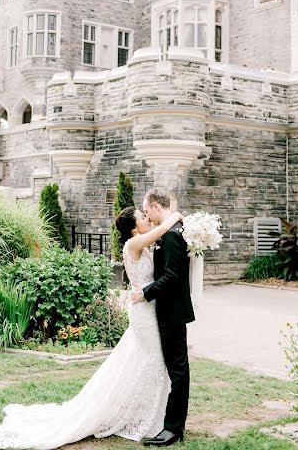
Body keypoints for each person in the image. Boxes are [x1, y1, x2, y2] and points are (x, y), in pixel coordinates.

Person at [0, 206, 183, 449]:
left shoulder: (144, 245)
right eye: (143, 217)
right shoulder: (133, 245)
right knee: (153, 360)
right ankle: (148, 418)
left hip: (150, 308)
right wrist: (176, 216)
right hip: (142, 312)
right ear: (135, 229)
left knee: (141, 361)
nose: (148, 219)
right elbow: (164, 227)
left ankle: (147, 413)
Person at [130, 188, 195, 446]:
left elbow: (172, 277)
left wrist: (145, 292)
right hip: (169, 310)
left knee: (178, 370)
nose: (147, 216)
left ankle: (173, 429)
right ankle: (171, 424)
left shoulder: (171, 236)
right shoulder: (172, 231)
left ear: (157, 206)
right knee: (176, 368)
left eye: (147, 212)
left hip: (172, 311)